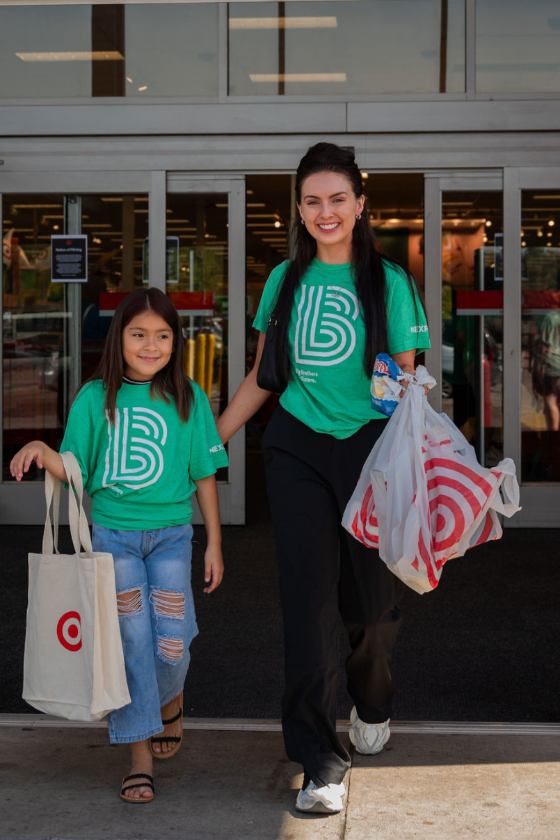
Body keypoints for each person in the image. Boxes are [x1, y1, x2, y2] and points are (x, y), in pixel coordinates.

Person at [217, 142, 431, 815]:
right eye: (313, 201)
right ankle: (318, 758)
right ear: (300, 210)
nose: (325, 211)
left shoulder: (388, 281)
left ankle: (373, 699)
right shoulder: (284, 280)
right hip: (297, 449)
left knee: (367, 608)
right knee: (306, 606)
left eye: (338, 199)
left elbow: (405, 386)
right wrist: (205, 443)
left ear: (361, 205)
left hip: (370, 450)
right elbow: (262, 377)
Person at [11, 288, 227, 804]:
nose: (150, 346)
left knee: (173, 639)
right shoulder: (94, 398)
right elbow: (76, 470)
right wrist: (45, 449)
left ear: (175, 342)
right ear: (119, 339)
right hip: (114, 541)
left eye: (162, 336)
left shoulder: (189, 398)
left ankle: (169, 696)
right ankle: (139, 757)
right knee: (132, 641)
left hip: (174, 538)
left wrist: (215, 542)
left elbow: (204, 476)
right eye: (138, 335)